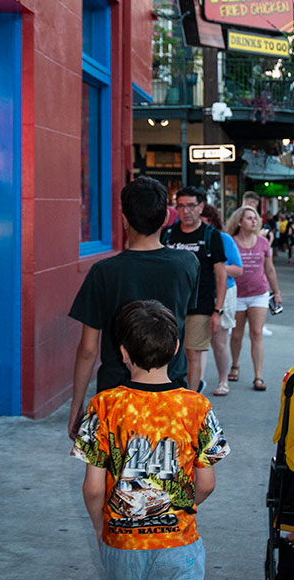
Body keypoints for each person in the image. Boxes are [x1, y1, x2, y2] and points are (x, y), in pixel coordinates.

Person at [72, 299, 230, 580]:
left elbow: (93, 488)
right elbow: (206, 484)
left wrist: (103, 528)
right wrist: (178, 506)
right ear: (176, 348)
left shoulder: (104, 405)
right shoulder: (196, 407)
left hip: (122, 543)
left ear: (124, 353)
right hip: (179, 544)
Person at [67, 176, 200, 439]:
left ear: (124, 219)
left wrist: (76, 406)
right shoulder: (187, 263)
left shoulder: (103, 272)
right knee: (169, 469)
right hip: (170, 385)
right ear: (165, 219)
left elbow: (88, 350)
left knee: (112, 469)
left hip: (116, 390)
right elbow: (189, 333)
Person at [162, 187, 227, 392]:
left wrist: (217, 310)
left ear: (201, 207)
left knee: (192, 352)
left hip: (200, 305)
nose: (185, 211)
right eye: (180, 206)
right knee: (167, 352)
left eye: (191, 205)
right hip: (169, 305)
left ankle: (191, 398)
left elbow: (221, 274)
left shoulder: (211, 236)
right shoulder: (168, 234)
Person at [227, 205, 282, 391]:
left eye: (255, 218)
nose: (254, 221)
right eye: (249, 218)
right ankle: (234, 365)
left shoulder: (263, 243)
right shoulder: (231, 242)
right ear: (239, 222)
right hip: (237, 294)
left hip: (259, 293)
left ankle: (258, 376)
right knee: (236, 334)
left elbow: (270, 269)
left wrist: (277, 292)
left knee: (257, 333)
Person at [199, 203, 243, 396]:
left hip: (224, 291)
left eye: (203, 221)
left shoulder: (223, 238)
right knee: (196, 343)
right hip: (199, 293)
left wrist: (215, 268)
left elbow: (238, 269)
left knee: (219, 341)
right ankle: (197, 382)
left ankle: (223, 380)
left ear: (211, 220)